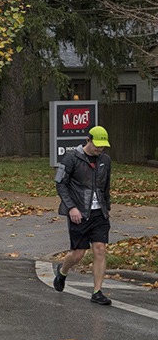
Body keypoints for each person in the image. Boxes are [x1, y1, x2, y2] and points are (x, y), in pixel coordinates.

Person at [53, 126, 113, 305]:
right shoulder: (72, 158)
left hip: (99, 213)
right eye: (97, 145)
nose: (99, 149)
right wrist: (71, 208)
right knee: (78, 254)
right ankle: (62, 271)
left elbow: (106, 186)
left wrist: (107, 207)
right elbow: (60, 184)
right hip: (78, 213)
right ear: (88, 140)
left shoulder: (105, 160)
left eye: (103, 146)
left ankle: (97, 292)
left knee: (100, 249)